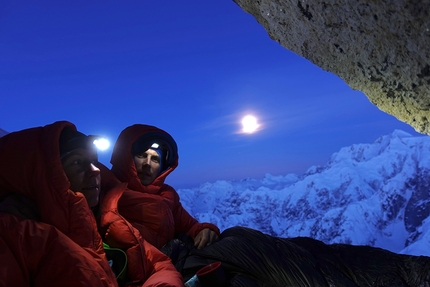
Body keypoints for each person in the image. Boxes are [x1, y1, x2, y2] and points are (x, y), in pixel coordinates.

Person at [0, 121, 182, 287]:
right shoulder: (16, 237)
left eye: (95, 161)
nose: (95, 170)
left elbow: (158, 265)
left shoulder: (99, 217)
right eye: (77, 162)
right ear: (45, 174)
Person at [108, 124, 220, 270]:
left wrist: (203, 230)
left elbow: (189, 226)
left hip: (169, 266)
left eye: (155, 159)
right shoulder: (103, 192)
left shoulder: (167, 197)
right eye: (141, 155)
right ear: (124, 157)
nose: (148, 164)